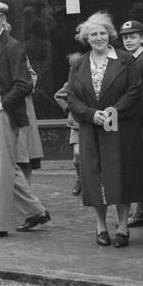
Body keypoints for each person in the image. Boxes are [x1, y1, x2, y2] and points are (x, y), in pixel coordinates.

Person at [67, 12, 143, 246]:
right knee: (95, 177)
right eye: (93, 34)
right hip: (91, 129)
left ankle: (122, 227)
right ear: (86, 38)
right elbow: (71, 97)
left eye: (102, 33)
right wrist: (91, 114)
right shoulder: (79, 64)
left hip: (120, 128)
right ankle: (101, 226)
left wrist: (113, 112)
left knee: (122, 175)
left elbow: (134, 90)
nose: (99, 38)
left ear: (110, 34)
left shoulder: (125, 60)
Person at [0, 0, 49, 239]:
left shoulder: (12, 46)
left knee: (0, 168)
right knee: (6, 165)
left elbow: (24, 83)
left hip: (1, 108)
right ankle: (35, 211)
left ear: (3, 20)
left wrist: (2, 105)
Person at [120, 19, 143, 228]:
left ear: (142, 38)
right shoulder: (135, 60)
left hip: (142, 124)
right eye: (125, 37)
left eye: (133, 37)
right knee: (139, 169)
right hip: (140, 124)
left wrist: (136, 122)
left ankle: (142, 212)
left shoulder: (141, 62)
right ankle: (140, 210)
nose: (128, 41)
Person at [54, 55, 83, 197]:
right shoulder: (70, 84)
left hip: (91, 123)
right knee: (77, 154)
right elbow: (58, 96)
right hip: (76, 125)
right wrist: (68, 108)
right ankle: (79, 178)